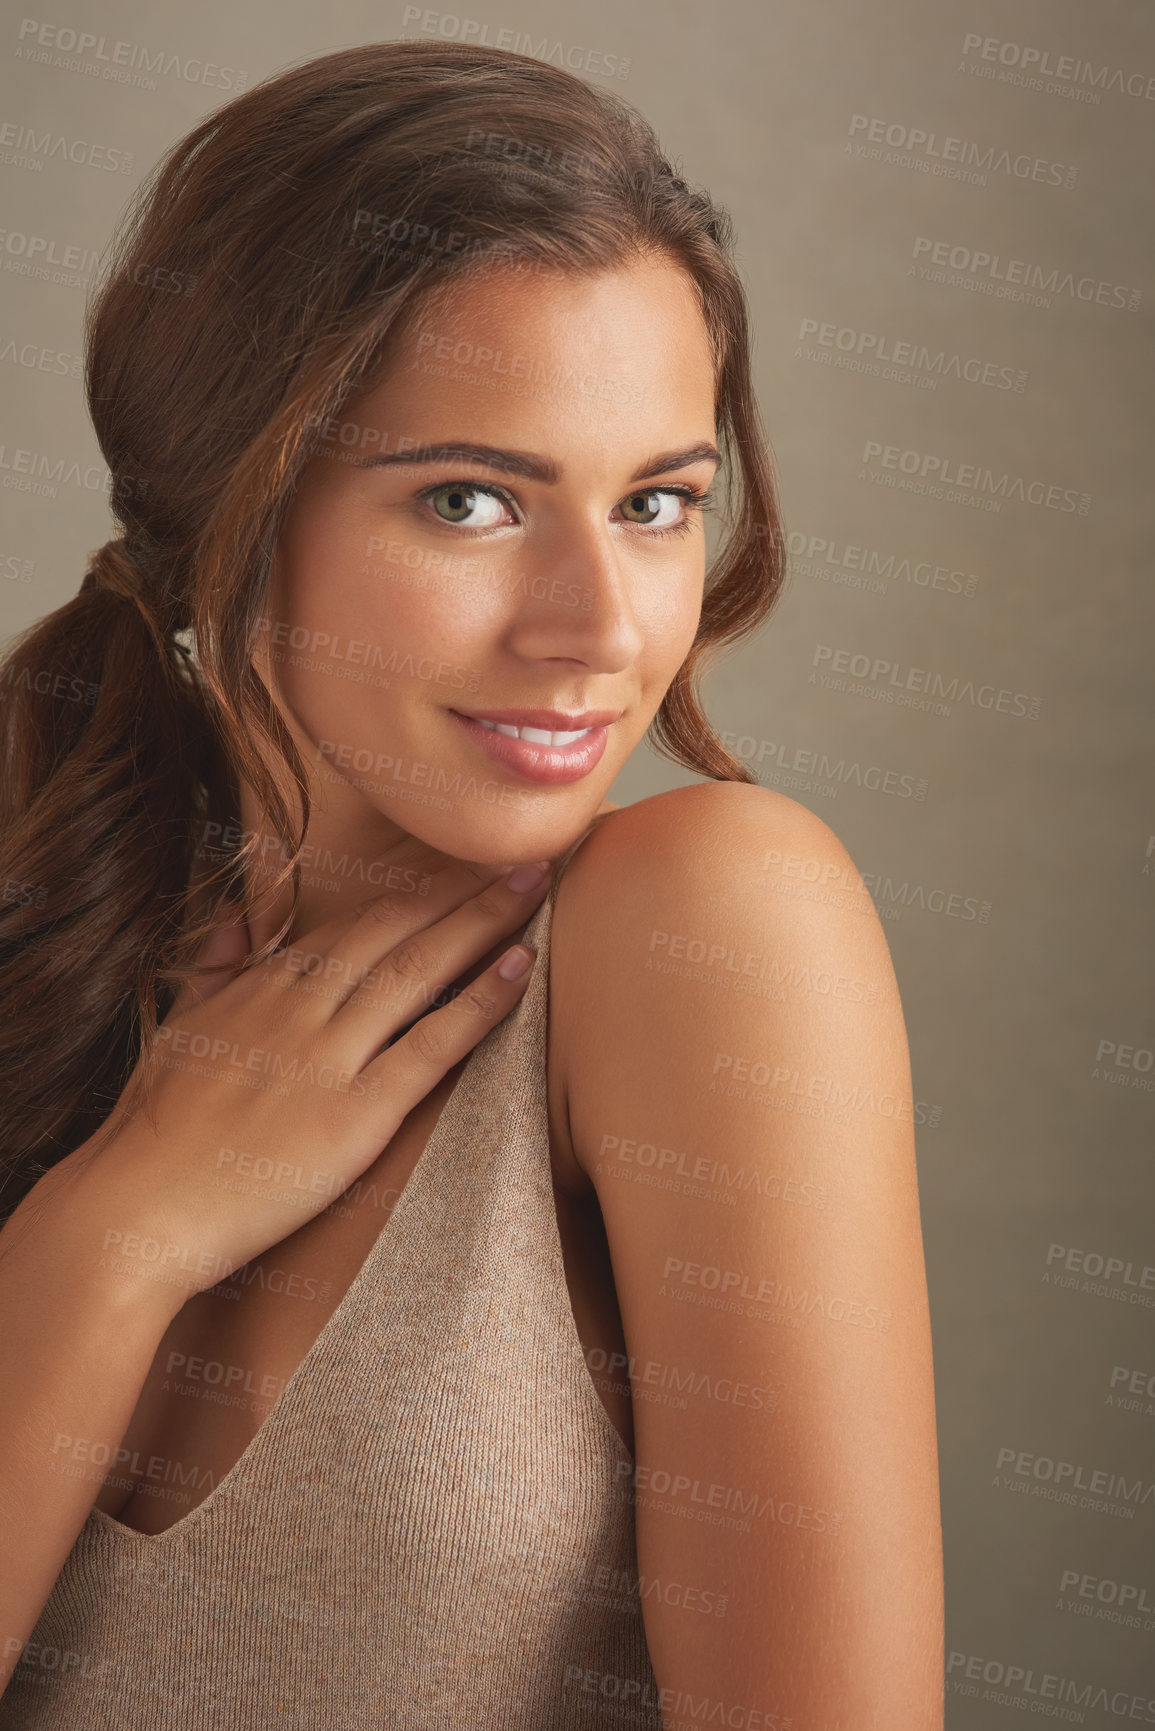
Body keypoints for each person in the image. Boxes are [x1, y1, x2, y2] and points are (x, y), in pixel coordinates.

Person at [0, 39, 943, 1730]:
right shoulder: (38, 897)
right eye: (470, 500)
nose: (599, 628)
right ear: (228, 503)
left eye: (658, 502)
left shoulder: (708, 928)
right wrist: (115, 1231)